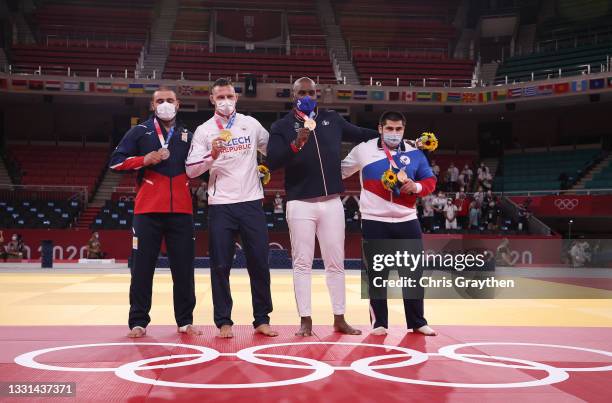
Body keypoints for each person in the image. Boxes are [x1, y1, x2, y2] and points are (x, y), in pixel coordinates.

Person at [266, 77, 379, 337]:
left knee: (336, 263)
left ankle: (339, 318)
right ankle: (305, 319)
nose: (306, 96)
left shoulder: (332, 119)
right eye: (301, 92)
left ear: (317, 94)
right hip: (300, 204)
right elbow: (272, 161)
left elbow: (361, 135)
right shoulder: (282, 126)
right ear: (292, 95)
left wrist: (389, 136)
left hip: (331, 203)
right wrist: (296, 142)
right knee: (302, 263)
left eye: (311, 92)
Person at [186, 78, 277, 338]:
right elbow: (191, 170)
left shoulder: (251, 124)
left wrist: (296, 145)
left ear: (236, 98)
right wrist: (211, 156)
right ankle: (224, 321)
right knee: (220, 265)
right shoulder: (204, 131)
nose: (225, 101)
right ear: (212, 100)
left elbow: (272, 150)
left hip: (251, 202)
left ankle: (262, 318)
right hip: (220, 205)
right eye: (220, 97)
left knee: (259, 263)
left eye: (229, 96)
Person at [110, 87, 201, 338]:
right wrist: (143, 159)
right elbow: (115, 162)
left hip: (181, 211)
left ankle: (185, 321)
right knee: (142, 268)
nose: (165, 104)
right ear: (152, 105)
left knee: (183, 269)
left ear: (178, 104)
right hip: (147, 210)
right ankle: (138, 322)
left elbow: (200, 167)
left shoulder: (187, 135)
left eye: (169, 100)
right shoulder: (140, 131)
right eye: (160, 101)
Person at [341, 110, 437, 336]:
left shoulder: (415, 152)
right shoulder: (363, 150)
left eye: (399, 129)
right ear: (380, 128)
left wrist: (417, 187)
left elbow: (430, 180)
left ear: (404, 129)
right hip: (375, 221)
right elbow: (339, 172)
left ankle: (417, 322)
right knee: (376, 275)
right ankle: (379, 323)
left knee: (412, 274)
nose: (394, 133)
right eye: (390, 129)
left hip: (407, 220)